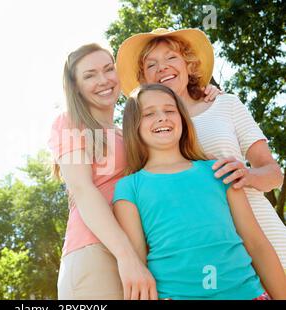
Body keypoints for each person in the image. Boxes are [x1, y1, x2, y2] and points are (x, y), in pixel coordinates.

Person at [48, 43, 220, 299]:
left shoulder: (127, 133)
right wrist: (126, 256)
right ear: (75, 86)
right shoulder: (71, 122)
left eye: (108, 69)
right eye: (90, 75)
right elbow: (83, 190)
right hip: (96, 251)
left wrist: (197, 95)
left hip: (140, 253)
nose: (103, 80)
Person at [116, 28, 286, 271]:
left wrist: (247, 176)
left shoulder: (225, 104)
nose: (162, 67)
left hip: (265, 233)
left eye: (171, 57)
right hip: (207, 252)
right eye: (151, 64)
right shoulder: (146, 130)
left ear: (189, 65)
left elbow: (273, 173)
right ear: (143, 79)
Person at [113, 83, 286, 299]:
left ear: (183, 120)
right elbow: (137, 264)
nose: (162, 117)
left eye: (169, 110)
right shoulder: (129, 187)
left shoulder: (219, 170)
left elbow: (256, 243)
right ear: (133, 125)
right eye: (149, 113)